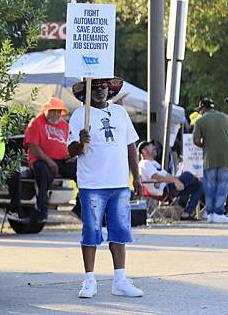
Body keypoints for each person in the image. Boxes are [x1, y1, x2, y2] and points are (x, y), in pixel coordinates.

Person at [67, 77, 143, 299]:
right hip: (93, 184)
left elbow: (131, 145)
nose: (100, 90)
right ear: (87, 92)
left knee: (119, 232)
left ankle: (120, 280)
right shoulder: (80, 115)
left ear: (110, 89)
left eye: (104, 86)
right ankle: (89, 280)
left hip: (119, 182)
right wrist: (80, 142)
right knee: (91, 232)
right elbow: (70, 151)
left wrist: (136, 177)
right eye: (95, 87)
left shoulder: (120, 113)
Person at [24, 97, 79, 222]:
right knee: (42, 173)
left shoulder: (64, 125)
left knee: (81, 170)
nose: (56, 114)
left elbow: (70, 143)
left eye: (58, 111)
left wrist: (72, 155)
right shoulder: (36, 122)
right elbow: (33, 147)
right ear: (46, 110)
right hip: (41, 160)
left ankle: (79, 206)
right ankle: (41, 210)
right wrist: (50, 162)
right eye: (53, 110)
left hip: (61, 160)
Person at [138, 140, 203, 221]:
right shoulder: (144, 164)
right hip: (163, 190)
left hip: (169, 186)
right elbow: (156, 177)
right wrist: (175, 181)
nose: (154, 148)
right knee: (187, 175)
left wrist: (175, 180)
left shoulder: (154, 163)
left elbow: (167, 175)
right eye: (151, 146)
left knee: (199, 185)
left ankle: (186, 213)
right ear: (144, 151)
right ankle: (181, 205)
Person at [193, 98, 228, 223]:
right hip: (226, 158)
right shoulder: (227, 118)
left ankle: (210, 213)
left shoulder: (200, 121)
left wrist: (205, 145)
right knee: (222, 186)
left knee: (210, 187)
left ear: (202, 109)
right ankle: (218, 212)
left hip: (209, 159)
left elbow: (196, 140)